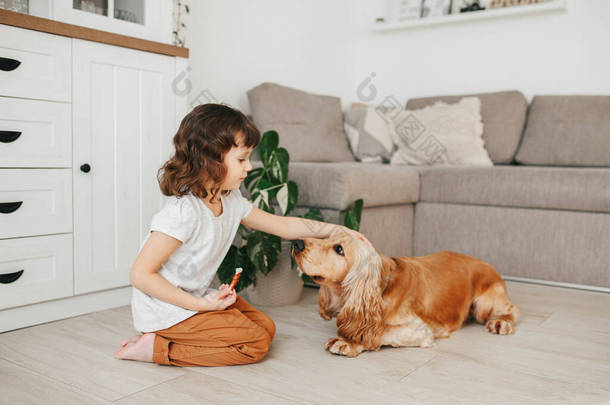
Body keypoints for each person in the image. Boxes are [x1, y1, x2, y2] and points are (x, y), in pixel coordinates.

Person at [114, 103, 372, 367]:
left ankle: (165, 338)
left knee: (266, 328)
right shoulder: (183, 212)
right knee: (254, 345)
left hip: (194, 301)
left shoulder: (231, 199)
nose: (249, 167)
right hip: (166, 310)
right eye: (241, 159)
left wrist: (338, 230)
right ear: (210, 159)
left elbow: (282, 226)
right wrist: (199, 305)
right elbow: (140, 275)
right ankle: (156, 347)